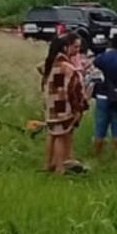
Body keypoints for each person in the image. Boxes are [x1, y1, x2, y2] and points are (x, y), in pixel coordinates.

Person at [40, 33, 89, 173]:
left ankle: (48, 164)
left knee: (52, 134)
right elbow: (77, 91)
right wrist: (80, 108)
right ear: (66, 47)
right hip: (64, 107)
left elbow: (41, 70)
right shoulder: (69, 69)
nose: (77, 50)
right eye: (75, 47)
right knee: (62, 136)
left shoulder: (50, 64)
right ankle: (60, 168)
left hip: (51, 106)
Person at [90, 46, 117, 157]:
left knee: (99, 129)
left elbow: (91, 71)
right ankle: (116, 157)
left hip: (102, 96)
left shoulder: (100, 58)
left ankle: (97, 155)